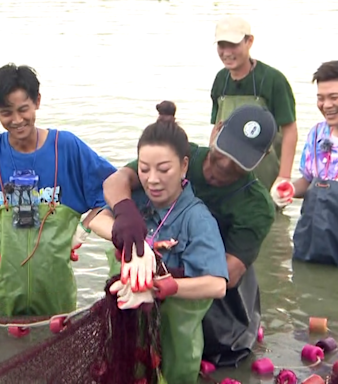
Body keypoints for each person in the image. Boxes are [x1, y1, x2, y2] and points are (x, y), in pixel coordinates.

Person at [0, 63, 117, 317]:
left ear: (37, 102)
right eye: (6, 112)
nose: (17, 120)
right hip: (1, 297)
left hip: (56, 298)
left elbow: (114, 188)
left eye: (23, 109)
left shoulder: (68, 148)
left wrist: (83, 230)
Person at [102, 102, 276, 367]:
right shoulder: (182, 156)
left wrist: (165, 275)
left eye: (239, 160)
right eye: (224, 151)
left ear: (261, 159)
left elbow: (227, 275)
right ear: (216, 130)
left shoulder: (257, 205)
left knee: (215, 351)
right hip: (161, 259)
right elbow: (118, 180)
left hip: (211, 285)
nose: (226, 164)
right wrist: (125, 213)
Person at [88, 106, 229, 384]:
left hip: (175, 343)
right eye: (143, 169)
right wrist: (131, 238)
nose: (152, 179)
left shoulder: (197, 218)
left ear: (184, 166)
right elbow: (93, 219)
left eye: (164, 169)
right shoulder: (138, 201)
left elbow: (217, 285)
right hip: (129, 333)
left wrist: (161, 287)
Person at [211, 16, 298, 196]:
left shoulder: (274, 80)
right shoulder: (220, 80)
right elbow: (217, 127)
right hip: (225, 175)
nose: (227, 52)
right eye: (222, 45)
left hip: (265, 174)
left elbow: (290, 131)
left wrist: (284, 177)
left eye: (233, 45)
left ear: (249, 41)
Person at [271, 61, 338, 267]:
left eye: (334, 97)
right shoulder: (316, 133)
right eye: (321, 98)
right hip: (312, 238)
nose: (326, 105)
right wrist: (288, 189)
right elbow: (310, 181)